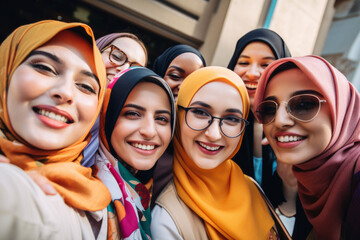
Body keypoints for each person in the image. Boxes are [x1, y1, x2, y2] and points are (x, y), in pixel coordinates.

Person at [0, 20, 111, 239]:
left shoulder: (96, 202)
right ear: (7, 70)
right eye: (44, 68)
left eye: (86, 86)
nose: (65, 92)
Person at [151, 66, 282, 239]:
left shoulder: (252, 188)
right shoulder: (166, 218)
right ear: (178, 113)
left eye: (232, 119)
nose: (214, 134)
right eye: (199, 112)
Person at [254, 55, 360, 239]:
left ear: (341, 110)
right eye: (270, 109)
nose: (279, 121)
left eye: (303, 104)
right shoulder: (311, 182)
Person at [94, 67, 176, 239]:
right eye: (132, 113)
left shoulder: (143, 192)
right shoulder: (91, 200)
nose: (149, 131)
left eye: (161, 118)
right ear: (107, 116)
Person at [227, 28, 291, 186]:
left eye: (265, 64)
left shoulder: (294, 128)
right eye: (243, 62)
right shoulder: (215, 124)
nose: (252, 73)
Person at [143, 44, 206, 201]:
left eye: (194, 80)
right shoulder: (135, 124)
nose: (184, 87)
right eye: (175, 76)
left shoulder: (204, 140)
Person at [82, 32, 148, 168]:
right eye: (117, 56)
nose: (123, 69)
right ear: (96, 51)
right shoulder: (61, 94)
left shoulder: (121, 127)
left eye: (134, 69)